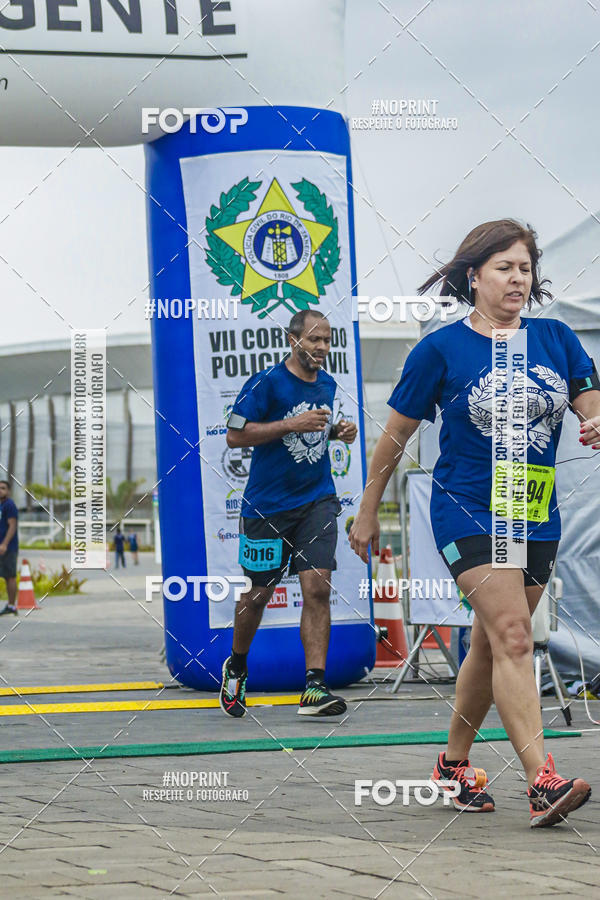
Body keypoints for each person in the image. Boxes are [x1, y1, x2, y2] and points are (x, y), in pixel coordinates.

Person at [349, 219, 599, 828]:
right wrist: (366, 507)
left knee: (491, 643)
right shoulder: (440, 349)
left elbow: (590, 402)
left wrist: (595, 423)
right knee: (515, 634)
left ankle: (452, 766)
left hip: (532, 509)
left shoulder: (556, 338)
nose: (518, 279)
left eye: (525, 268)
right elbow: (396, 435)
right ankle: (542, 781)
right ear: (473, 276)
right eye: (504, 268)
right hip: (467, 506)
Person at [220, 310, 357, 718]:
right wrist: (292, 423)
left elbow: (316, 428)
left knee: (317, 588)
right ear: (292, 340)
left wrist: (336, 432)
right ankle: (237, 665)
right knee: (258, 594)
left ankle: (314, 686)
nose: (321, 348)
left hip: (317, 501)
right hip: (267, 507)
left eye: (327, 341)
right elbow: (234, 435)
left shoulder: (329, 384)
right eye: (314, 340)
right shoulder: (265, 383)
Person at [0, 480, 19, 616]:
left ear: (8, 491)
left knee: (10, 576)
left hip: (8, 548)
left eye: (3, 488)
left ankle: (12, 606)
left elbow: (12, 525)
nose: (0, 490)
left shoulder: (9, 505)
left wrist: (5, 544)